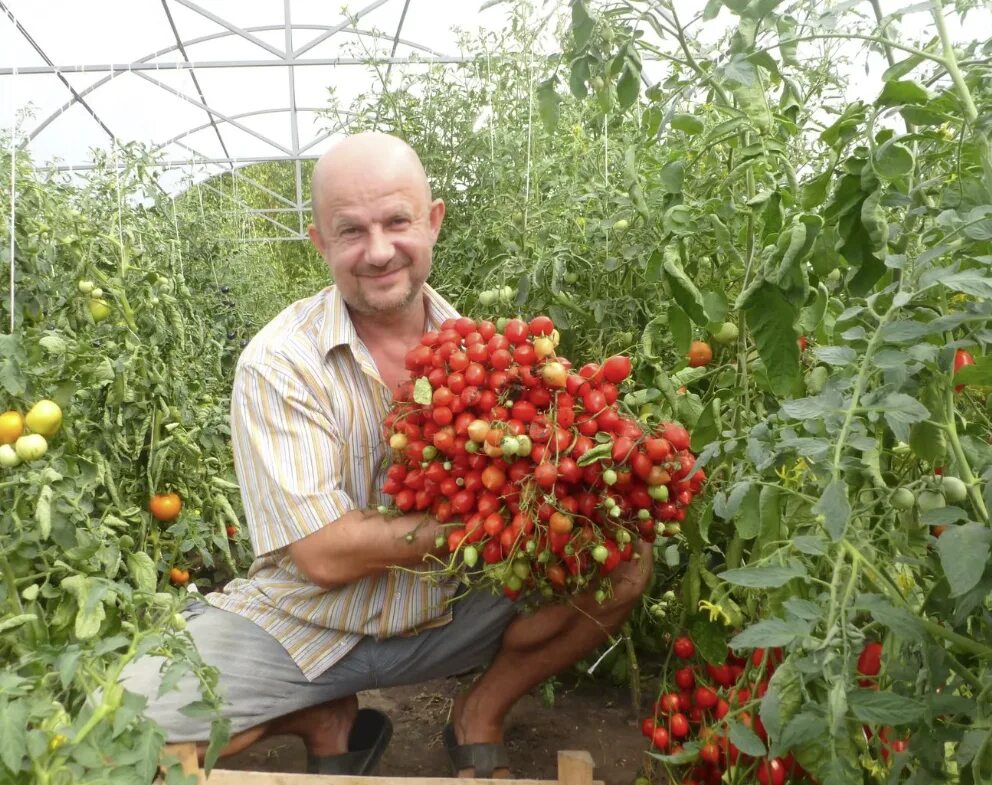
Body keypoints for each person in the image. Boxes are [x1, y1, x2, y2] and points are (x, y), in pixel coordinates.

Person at [120, 132, 652, 778]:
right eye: (350, 231)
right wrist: (487, 524)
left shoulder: (489, 359)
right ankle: (320, 714)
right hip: (300, 624)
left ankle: (479, 710)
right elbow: (321, 553)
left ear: (432, 223)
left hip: (443, 610)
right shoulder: (280, 360)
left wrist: (580, 488)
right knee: (119, 730)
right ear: (320, 243)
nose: (378, 251)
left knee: (625, 559)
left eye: (397, 221)